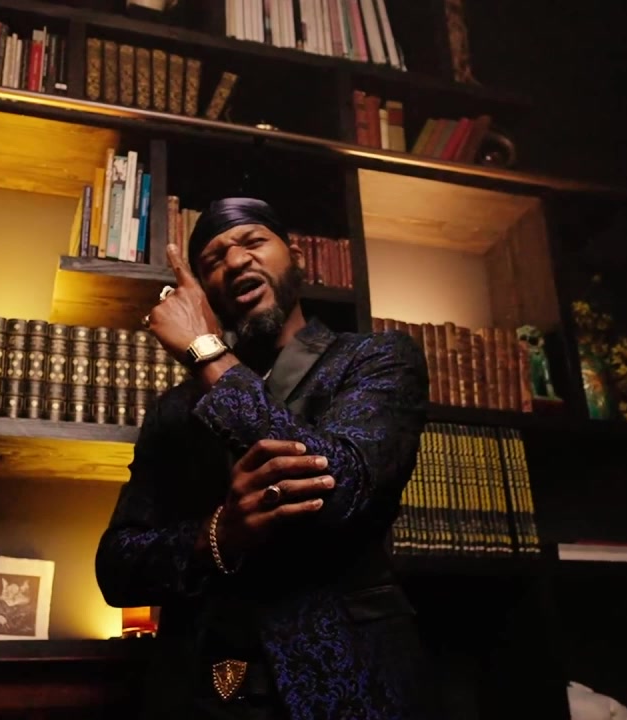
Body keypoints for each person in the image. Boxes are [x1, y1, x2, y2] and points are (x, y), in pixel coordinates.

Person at [95, 198, 432, 720]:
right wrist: (220, 535)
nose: (235, 261)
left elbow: (339, 487)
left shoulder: (375, 359)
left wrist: (206, 352)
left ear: (296, 257)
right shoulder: (173, 411)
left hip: (347, 687)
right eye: (213, 260)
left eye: (253, 242)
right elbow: (117, 568)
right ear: (203, 293)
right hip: (195, 691)